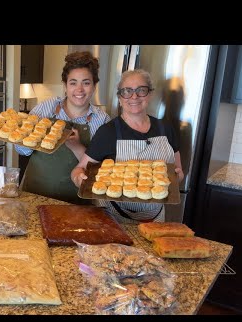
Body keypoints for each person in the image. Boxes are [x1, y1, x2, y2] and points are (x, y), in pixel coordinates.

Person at [71, 69, 184, 223]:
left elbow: (178, 173)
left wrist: (177, 176)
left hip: (156, 218)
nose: (134, 96)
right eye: (127, 91)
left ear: (150, 94)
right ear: (120, 97)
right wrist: (79, 178)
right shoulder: (108, 132)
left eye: (141, 90)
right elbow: (79, 169)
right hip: (114, 218)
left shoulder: (165, 128)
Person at [15, 51, 110, 204]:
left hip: (76, 204)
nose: (79, 90)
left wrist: (77, 147)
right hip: (35, 196)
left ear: (94, 87)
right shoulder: (45, 109)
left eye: (86, 83)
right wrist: (32, 135)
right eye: (73, 83)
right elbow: (22, 151)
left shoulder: (102, 121)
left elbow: (101, 171)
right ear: (65, 85)